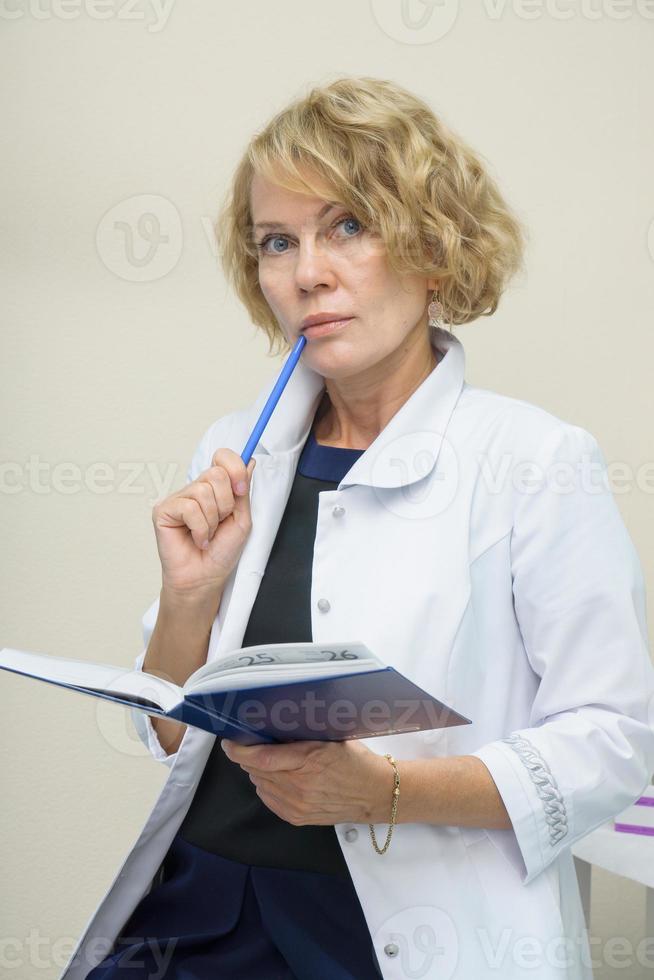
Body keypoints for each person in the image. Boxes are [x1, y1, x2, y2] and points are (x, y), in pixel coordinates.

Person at [62, 75, 654, 980]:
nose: (307, 273)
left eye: (348, 226)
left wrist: (386, 791)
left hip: (400, 937)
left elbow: (615, 740)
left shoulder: (533, 460)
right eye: (277, 242)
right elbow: (172, 737)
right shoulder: (235, 449)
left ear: (433, 247)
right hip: (197, 917)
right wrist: (187, 598)